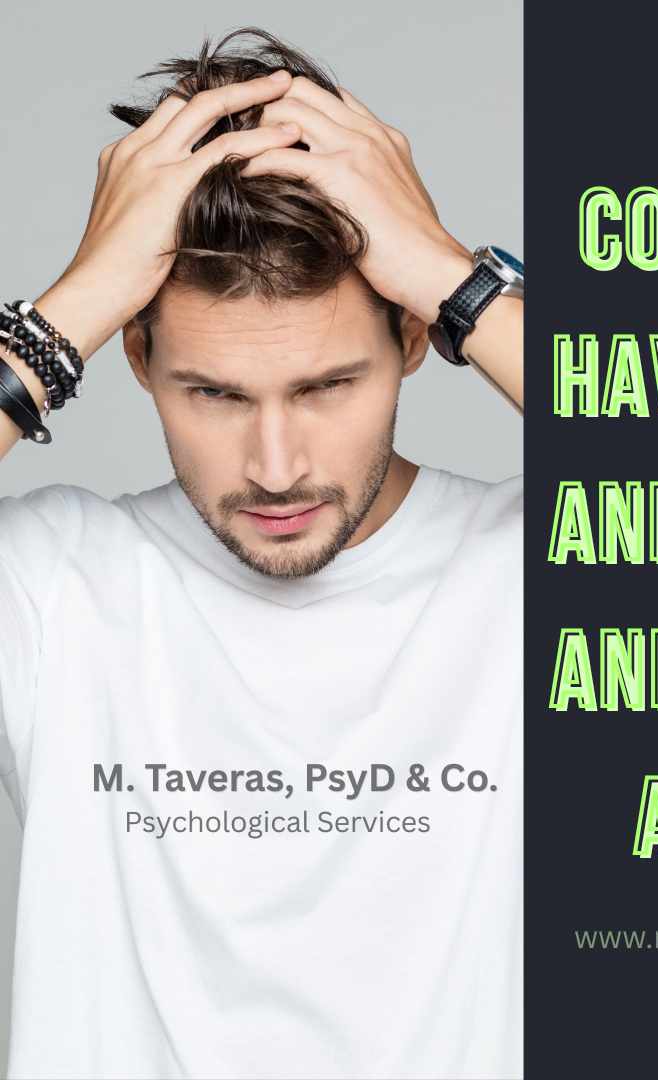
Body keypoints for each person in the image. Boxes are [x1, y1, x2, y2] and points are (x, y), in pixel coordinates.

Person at [0, 28, 522, 1080]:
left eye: (327, 387)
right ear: (138, 358)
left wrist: (451, 277)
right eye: (215, 394)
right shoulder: (56, 585)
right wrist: (80, 303)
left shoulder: (520, 573)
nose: (277, 468)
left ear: (415, 342)